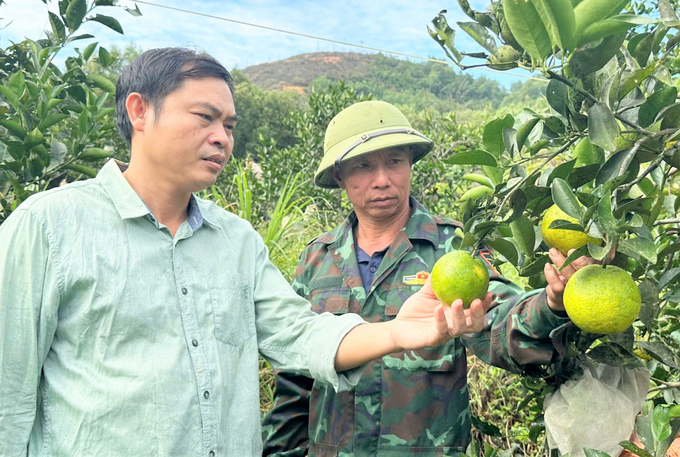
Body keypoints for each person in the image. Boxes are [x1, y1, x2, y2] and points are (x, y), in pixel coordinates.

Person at [0, 49, 492, 456]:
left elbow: (299, 334)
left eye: (230, 125)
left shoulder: (236, 242)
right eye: (204, 117)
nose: (222, 137)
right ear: (139, 111)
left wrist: (395, 332)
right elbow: (8, 396)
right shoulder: (48, 227)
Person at [261, 100, 594, 455]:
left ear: (410, 164)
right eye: (363, 166)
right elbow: (296, 381)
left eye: (394, 162)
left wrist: (552, 304)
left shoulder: (453, 248)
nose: (382, 180)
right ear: (340, 175)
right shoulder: (316, 259)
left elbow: (499, 321)